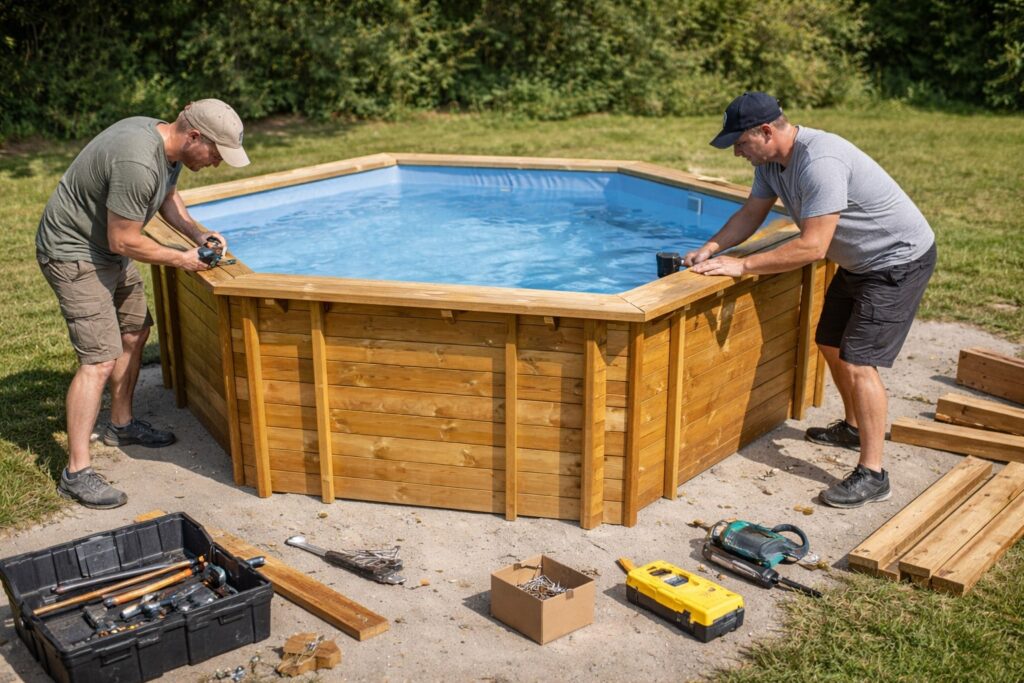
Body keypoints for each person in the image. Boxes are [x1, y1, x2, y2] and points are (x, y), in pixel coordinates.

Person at [686, 91, 936, 508]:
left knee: (859, 362)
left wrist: (743, 266)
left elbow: (813, 247)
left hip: (897, 261)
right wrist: (711, 247)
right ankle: (854, 427)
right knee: (830, 344)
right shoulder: (770, 164)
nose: (737, 153)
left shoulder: (821, 161)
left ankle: (874, 474)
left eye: (741, 143)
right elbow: (751, 213)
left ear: (767, 131)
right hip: (859, 262)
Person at [36, 99, 250, 509]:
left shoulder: (167, 147)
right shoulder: (137, 161)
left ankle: (121, 424)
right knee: (99, 360)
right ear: (194, 136)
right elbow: (123, 240)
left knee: (135, 330)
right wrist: (181, 258)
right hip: (74, 253)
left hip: (108, 250)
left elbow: (167, 196)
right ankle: (76, 473)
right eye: (217, 153)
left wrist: (197, 234)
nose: (217, 163)